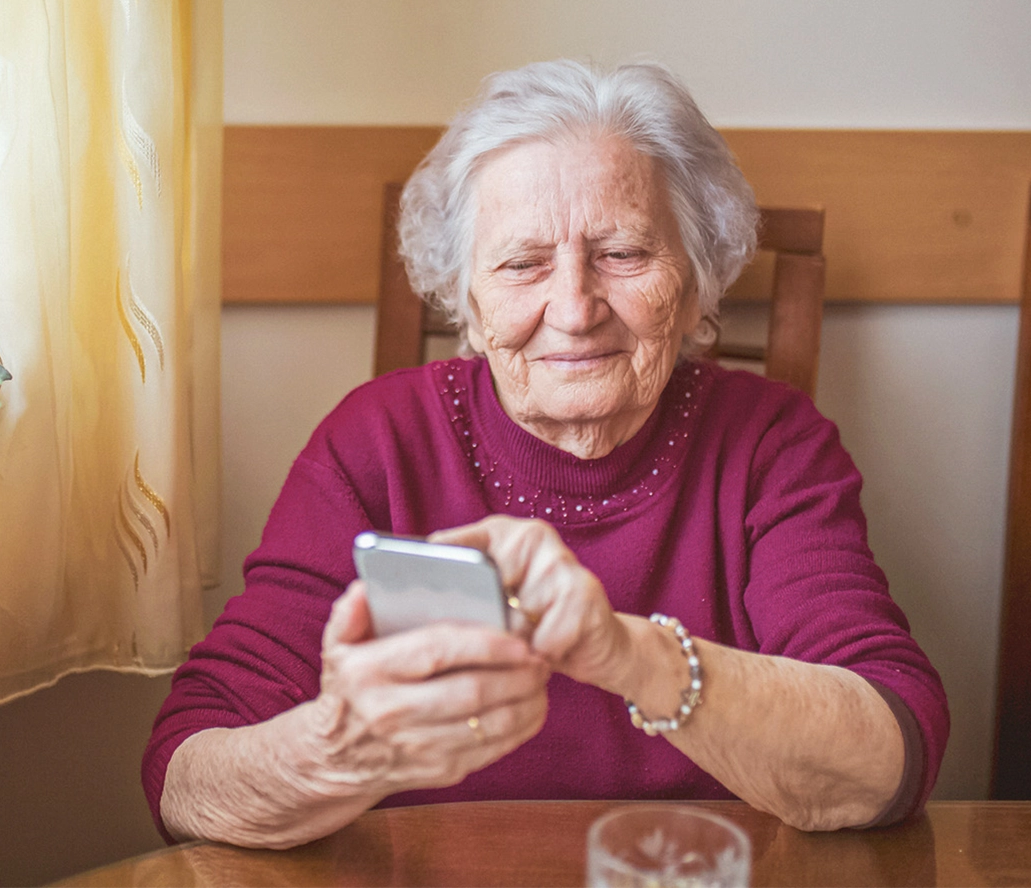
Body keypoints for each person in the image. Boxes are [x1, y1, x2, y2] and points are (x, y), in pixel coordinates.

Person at [143, 59, 948, 848]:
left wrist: (628, 654)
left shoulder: (771, 442)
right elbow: (185, 774)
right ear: (465, 300)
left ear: (697, 283)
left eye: (624, 255)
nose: (574, 307)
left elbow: (892, 754)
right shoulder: (377, 443)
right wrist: (337, 749)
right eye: (523, 264)